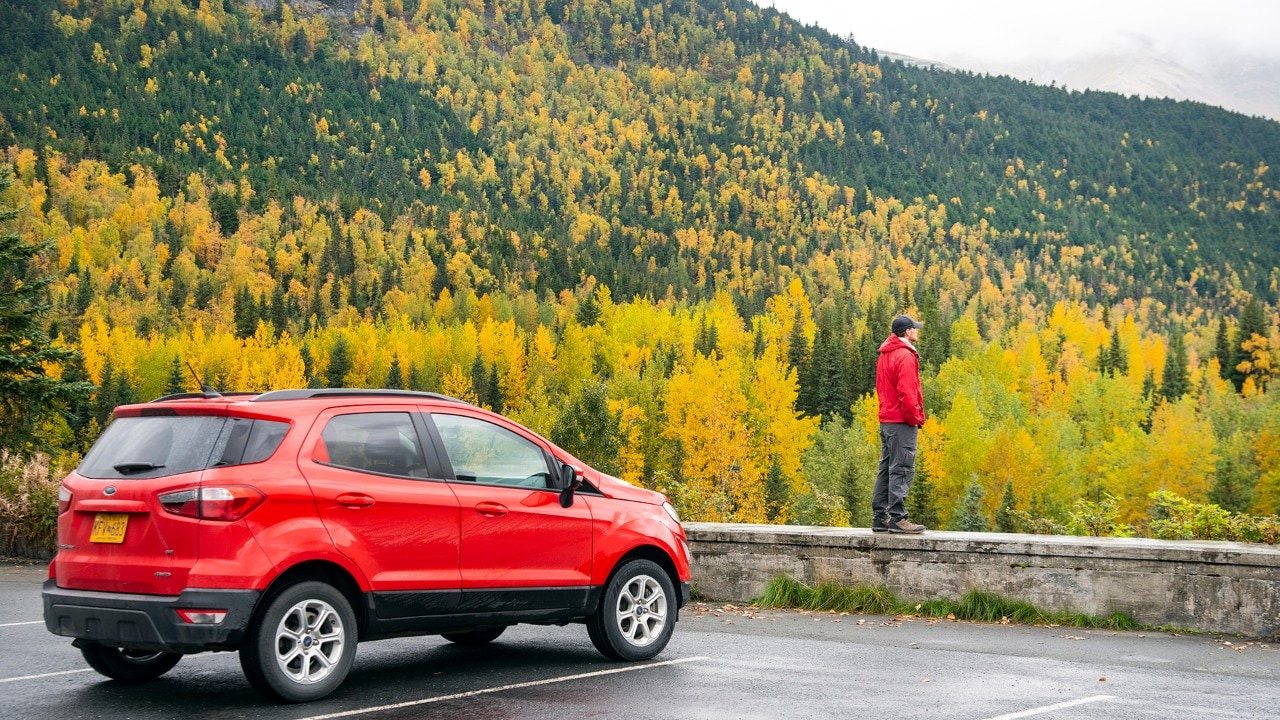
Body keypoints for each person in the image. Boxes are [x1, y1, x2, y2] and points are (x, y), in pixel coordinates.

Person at [873, 314, 927, 534]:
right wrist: (915, 418)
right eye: (914, 328)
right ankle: (898, 518)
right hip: (901, 421)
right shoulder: (904, 356)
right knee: (902, 468)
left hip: (887, 419)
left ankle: (880, 517)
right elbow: (907, 391)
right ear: (907, 332)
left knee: (886, 468)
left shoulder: (886, 354)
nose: (917, 331)